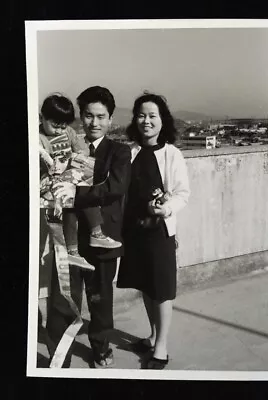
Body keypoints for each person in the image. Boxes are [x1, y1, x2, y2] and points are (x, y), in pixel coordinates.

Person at [47, 86, 131, 368]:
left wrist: (74, 193)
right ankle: (61, 357)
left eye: (100, 116)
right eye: (88, 116)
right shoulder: (68, 145)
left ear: (110, 119)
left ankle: (100, 346)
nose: (94, 123)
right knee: (63, 299)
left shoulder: (119, 151)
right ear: (80, 118)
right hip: (69, 236)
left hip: (103, 236)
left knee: (100, 298)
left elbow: (115, 188)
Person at [117, 93, 190, 370]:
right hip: (134, 231)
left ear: (163, 120)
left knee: (161, 289)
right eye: (141, 115)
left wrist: (166, 208)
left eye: (152, 116)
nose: (146, 121)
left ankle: (161, 347)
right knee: (146, 286)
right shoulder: (129, 152)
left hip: (159, 232)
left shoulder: (172, 154)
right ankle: (151, 336)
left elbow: (183, 193)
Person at [39, 94, 122, 272]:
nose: (60, 131)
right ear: (41, 118)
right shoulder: (39, 138)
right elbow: (43, 159)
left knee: (80, 194)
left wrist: (79, 157)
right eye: (55, 126)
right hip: (50, 180)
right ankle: (75, 247)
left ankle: (91, 236)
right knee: (70, 202)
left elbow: (81, 147)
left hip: (69, 176)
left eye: (63, 127)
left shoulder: (68, 132)